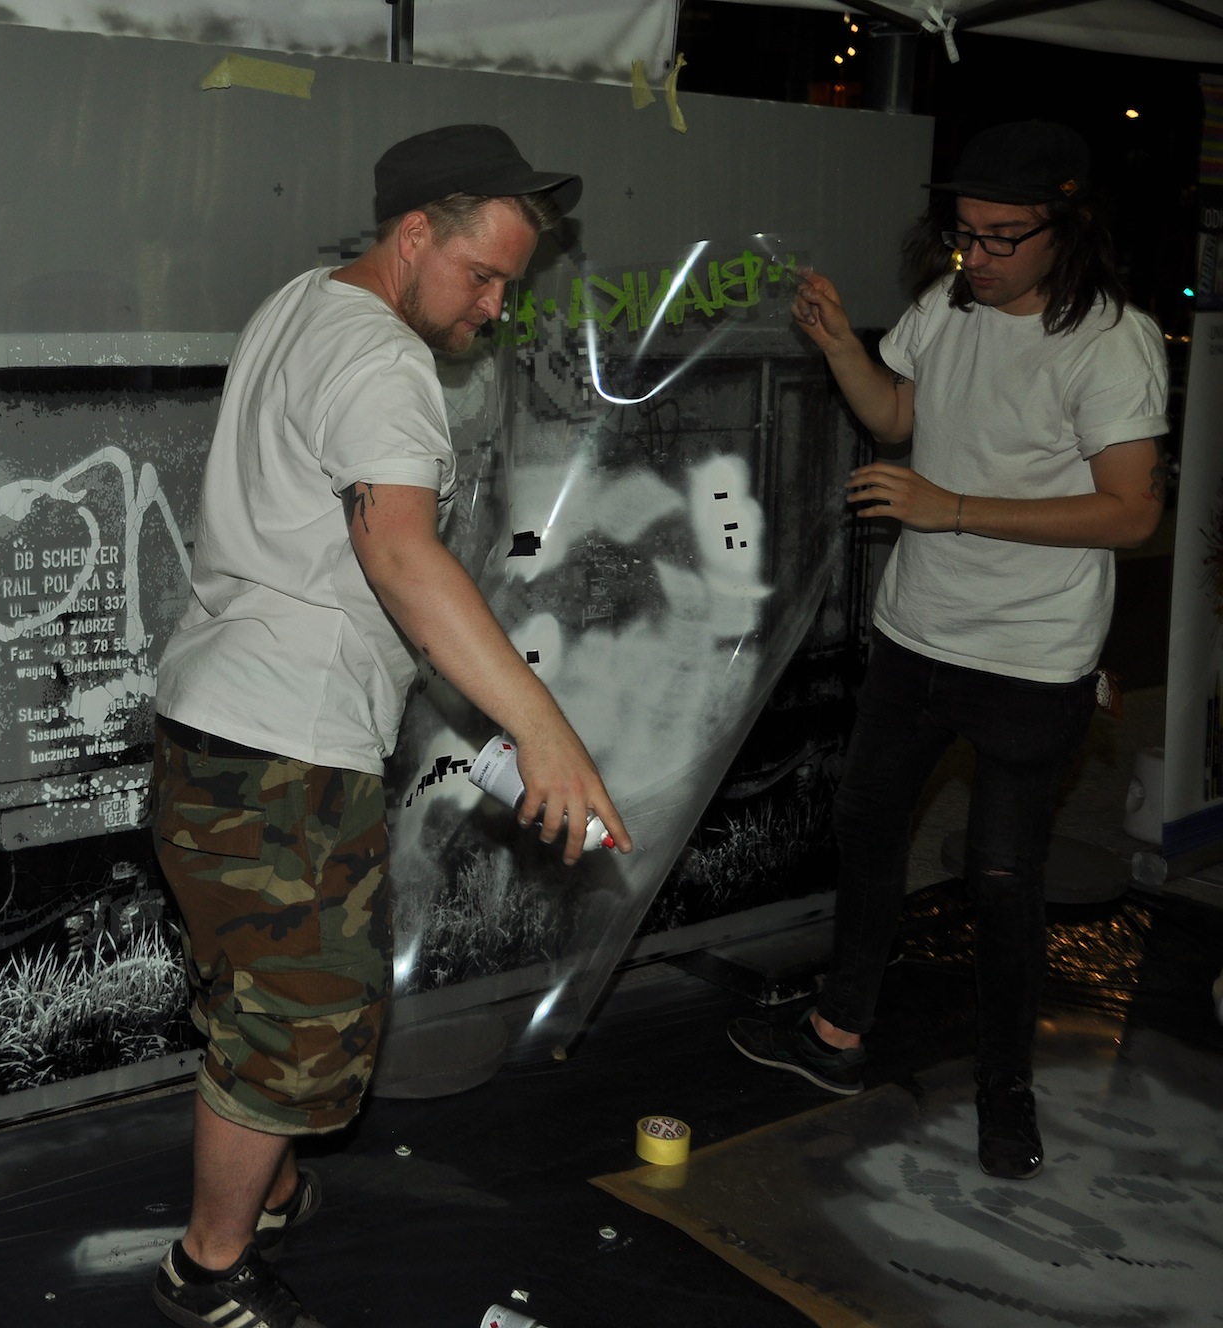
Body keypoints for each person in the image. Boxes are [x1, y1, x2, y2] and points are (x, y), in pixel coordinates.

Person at [148, 123, 629, 1328]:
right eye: (482, 275)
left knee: (261, 984)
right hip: (285, 745)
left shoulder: (300, 305)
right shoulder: (380, 360)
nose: (494, 306)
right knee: (296, 1020)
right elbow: (400, 553)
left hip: (215, 723)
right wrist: (543, 729)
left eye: (508, 284)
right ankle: (208, 1268)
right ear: (415, 235)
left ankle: (264, 1191)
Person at [729, 120, 1167, 1179]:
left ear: (1067, 229)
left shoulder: (1111, 341)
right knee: (867, 822)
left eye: (1000, 237)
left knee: (1001, 873)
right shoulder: (950, 301)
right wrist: (840, 343)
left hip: (1032, 655)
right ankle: (837, 1030)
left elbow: (1130, 511)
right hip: (918, 632)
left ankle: (1005, 1086)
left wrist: (952, 507)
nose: (975, 255)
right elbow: (894, 417)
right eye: (963, 232)